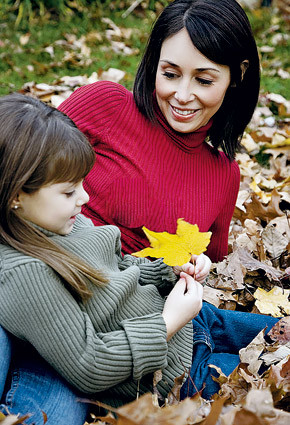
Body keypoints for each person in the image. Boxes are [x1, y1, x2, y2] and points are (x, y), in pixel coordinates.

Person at [0, 94, 279, 425]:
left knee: (281, 335)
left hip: (197, 321)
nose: (84, 198)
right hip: (178, 372)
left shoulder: (61, 222)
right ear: (16, 195)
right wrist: (166, 324)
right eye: (68, 191)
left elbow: (120, 267)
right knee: (275, 373)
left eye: (81, 185)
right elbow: (89, 363)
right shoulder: (24, 274)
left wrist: (168, 270)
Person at [58, 0, 259, 263]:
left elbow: (211, 271)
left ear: (237, 75)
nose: (183, 95)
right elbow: (19, 167)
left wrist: (199, 269)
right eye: (170, 74)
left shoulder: (224, 176)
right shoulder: (105, 106)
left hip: (139, 299)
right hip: (50, 266)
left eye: (204, 80)